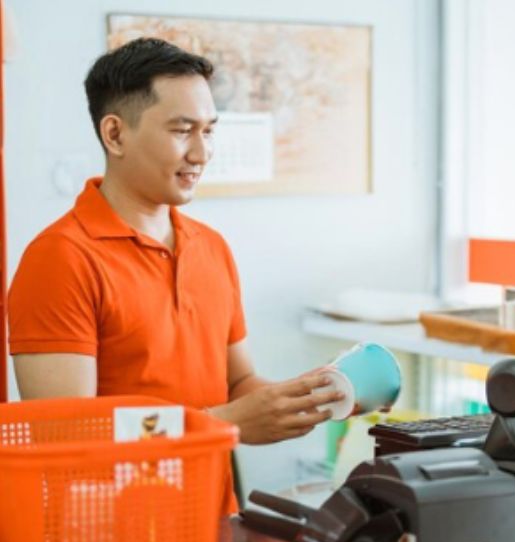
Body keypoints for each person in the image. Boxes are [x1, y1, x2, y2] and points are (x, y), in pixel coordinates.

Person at [7, 38, 343, 513]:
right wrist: (224, 422)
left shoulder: (211, 248)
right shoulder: (59, 259)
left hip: (213, 524)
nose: (202, 153)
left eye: (209, 131)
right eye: (182, 130)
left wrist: (308, 398)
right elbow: (66, 441)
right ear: (115, 135)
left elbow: (238, 383)